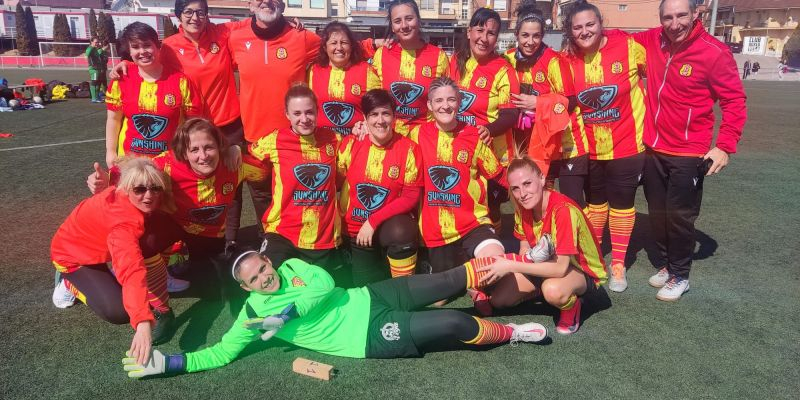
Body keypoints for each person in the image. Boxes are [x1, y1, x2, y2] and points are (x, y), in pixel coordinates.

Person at [121, 251, 548, 378]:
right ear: (247, 287)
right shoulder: (252, 317)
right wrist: (171, 363)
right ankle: (509, 332)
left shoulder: (292, 268)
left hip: (371, 295)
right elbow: (219, 354)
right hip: (368, 336)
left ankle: (525, 259)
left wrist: (287, 314)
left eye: (263, 267)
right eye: (255, 278)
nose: (266, 277)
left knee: (451, 280)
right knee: (454, 322)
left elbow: (325, 287)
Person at [633, 0, 747, 301]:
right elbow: (617, 40)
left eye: (681, 15)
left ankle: (681, 275)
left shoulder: (714, 52)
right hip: (653, 148)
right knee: (657, 213)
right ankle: (669, 266)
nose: (674, 23)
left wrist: (724, 146)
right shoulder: (652, 40)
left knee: (680, 216)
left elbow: (734, 102)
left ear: (697, 14)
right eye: (667, 17)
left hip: (689, 152)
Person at [88, 118, 266, 293]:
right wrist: (106, 179)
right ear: (184, 153)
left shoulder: (235, 164)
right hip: (174, 225)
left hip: (210, 234)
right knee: (145, 241)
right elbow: (134, 170)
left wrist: (239, 148)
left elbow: (271, 168)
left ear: (219, 145)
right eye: (194, 149)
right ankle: (157, 291)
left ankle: (186, 262)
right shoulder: (168, 164)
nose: (203, 156)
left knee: (211, 290)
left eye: (209, 147)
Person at [51, 158, 178, 368]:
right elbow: (132, 271)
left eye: (155, 188)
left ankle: (104, 274)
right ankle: (67, 283)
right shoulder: (123, 225)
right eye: (140, 190)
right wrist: (142, 321)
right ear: (126, 189)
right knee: (118, 311)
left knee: (163, 229)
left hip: (97, 247)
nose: (149, 195)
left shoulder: (120, 189)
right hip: (73, 257)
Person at [562, 0, 647, 293]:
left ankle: (618, 264)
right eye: (578, 27)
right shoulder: (567, 60)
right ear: (570, 32)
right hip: (590, 149)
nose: (585, 31)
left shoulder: (629, 47)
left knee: (622, 204)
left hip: (627, 145)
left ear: (600, 24)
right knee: (596, 205)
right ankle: (594, 255)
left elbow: (661, 75)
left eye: (590, 24)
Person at [476, 156, 607, 334]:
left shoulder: (562, 211)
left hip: (582, 272)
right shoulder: (523, 209)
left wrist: (509, 265)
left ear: (542, 178)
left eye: (527, 183)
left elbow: (561, 268)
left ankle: (572, 305)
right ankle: (538, 289)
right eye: (515, 188)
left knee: (552, 290)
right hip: (545, 263)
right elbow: (525, 250)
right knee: (500, 301)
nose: (522, 193)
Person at [228, 0, 321, 237]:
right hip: (254, 141)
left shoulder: (302, 38)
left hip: (293, 142)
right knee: (260, 197)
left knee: (294, 195)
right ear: (249, 4)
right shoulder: (235, 37)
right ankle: (267, 241)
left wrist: (377, 42)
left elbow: (340, 44)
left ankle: (297, 242)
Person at [249, 85, 343, 282]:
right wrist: (232, 149)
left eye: (309, 112)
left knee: (315, 291)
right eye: (297, 113)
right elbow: (245, 158)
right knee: (267, 280)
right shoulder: (274, 141)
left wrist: (363, 129)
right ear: (287, 115)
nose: (304, 119)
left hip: (321, 238)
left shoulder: (334, 139)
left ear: (317, 111)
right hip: (282, 232)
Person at [503, 1, 589, 208]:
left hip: (567, 144)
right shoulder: (508, 59)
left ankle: (581, 239)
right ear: (516, 34)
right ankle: (543, 238)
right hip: (533, 144)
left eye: (536, 36)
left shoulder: (554, 61)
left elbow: (571, 102)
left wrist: (538, 103)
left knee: (571, 202)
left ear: (543, 36)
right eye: (525, 35)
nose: (530, 41)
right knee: (538, 198)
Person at [338, 89, 423, 286]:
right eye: (374, 115)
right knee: (366, 292)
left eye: (386, 113)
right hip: (355, 231)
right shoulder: (350, 144)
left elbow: (411, 197)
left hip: (387, 228)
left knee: (403, 230)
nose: (380, 120)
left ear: (394, 117)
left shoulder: (409, 149)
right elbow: (335, 181)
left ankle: (405, 288)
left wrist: (373, 221)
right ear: (365, 119)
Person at [104, 22, 203, 168]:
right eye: (136, 47)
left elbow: (193, 124)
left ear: (158, 46)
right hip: (129, 164)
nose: (142, 51)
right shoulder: (121, 80)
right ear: (129, 52)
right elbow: (113, 119)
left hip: (169, 163)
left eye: (147, 45)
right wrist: (110, 153)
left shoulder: (181, 81)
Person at [370, 0, 449, 136]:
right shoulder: (381, 55)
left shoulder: (439, 57)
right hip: (389, 136)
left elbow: (445, 100)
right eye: (397, 21)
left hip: (424, 137)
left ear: (418, 20)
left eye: (409, 18)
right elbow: (373, 99)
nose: (404, 26)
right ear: (392, 27)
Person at [308, 22, 381, 136]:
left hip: (355, 143)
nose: (339, 48)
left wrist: (366, 125)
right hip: (322, 144)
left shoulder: (367, 71)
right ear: (325, 47)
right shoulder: (313, 71)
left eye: (344, 43)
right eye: (333, 43)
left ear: (351, 46)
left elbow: (378, 108)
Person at [86, 37, 108, 103]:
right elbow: (87, 54)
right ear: (91, 42)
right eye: (96, 42)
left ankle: (97, 97)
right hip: (93, 69)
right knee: (94, 82)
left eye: (98, 42)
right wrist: (88, 59)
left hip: (98, 69)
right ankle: (94, 98)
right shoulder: (90, 48)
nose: (97, 43)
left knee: (98, 83)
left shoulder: (95, 49)